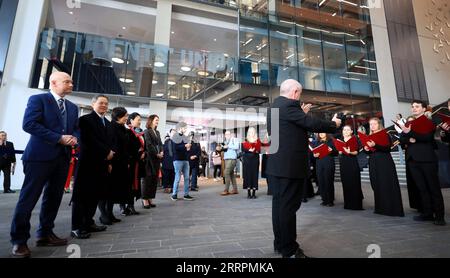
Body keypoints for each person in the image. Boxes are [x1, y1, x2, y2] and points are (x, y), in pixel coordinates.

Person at [266, 79, 341, 258]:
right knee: (288, 208)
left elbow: (290, 128)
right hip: (289, 167)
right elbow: (312, 124)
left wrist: (301, 113)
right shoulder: (289, 107)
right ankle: (290, 250)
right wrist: (334, 125)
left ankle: (280, 244)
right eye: (299, 94)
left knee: (279, 206)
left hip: (277, 166)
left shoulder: (274, 107)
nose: (299, 98)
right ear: (295, 92)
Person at [10, 72, 79, 258]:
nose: (71, 84)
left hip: (62, 159)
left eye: (71, 81)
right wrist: (59, 138)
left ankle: (45, 233)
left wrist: (74, 139)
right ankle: (19, 241)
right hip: (39, 157)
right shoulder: (38, 100)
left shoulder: (73, 107)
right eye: (67, 81)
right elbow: (29, 124)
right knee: (29, 198)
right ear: (54, 83)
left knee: (54, 198)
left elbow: (75, 129)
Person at [71, 95, 112, 240]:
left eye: (106, 104)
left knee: (94, 195)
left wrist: (109, 160)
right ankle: (76, 227)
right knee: (82, 196)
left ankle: (88, 222)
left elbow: (109, 142)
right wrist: (107, 152)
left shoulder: (107, 123)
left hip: (102, 164)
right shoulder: (85, 120)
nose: (104, 106)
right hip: (87, 164)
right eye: (101, 103)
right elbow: (88, 141)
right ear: (93, 103)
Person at [400, 100, 446, 225]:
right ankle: (427, 213)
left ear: (424, 109)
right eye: (412, 107)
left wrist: (410, 133)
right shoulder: (409, 123)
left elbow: (426, 137)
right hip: (412, 159)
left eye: (417, 106)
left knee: (433, 188)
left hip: (427, 159)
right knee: (422, 188)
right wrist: (409, 138)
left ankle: (440, 217)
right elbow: (402, 140)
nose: (414, 108)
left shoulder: (429, 122)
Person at [364, 118, 404, 217]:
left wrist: (375, 145)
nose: (372, 126)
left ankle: (391, 209)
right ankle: (380, 208)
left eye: (374, 124)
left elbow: (387, 148)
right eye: (370, 124)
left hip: (384, 162)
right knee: (376, 183)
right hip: (373, 162)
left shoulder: (385, 134)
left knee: (386, 183)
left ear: (379, 124)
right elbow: (370, 151)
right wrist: (366, 149)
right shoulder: (369, 136)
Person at [99, 107, 130, 224]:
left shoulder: (122, 128)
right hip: (112, 162)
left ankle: (110, 213)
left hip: (121, 162)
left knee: (113, 190)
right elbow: (110, 145)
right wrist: (109, 162)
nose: (127, 118)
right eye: (125, 116)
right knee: (106, 190)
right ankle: (104, 215)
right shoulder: (111, 127)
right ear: (118, 116)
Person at [400, 116, 423, 213]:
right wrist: (408, 140)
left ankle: (426, 205)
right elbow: (401, 141)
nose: (410, 123)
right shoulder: (404, 132)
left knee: (422, 184)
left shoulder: (420, 130)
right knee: (413, 183)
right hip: (410, 158)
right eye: (409, 122)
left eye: (412, 121)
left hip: (421, 158)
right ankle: (417, 205)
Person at [339, 125, 364, 210]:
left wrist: (350, 152)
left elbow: (356, 152)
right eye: (344, 130)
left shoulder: (354, 139)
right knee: (345, 182)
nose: (345, 131)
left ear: (351, 132)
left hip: (352, 162)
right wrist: (339, 151)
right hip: (343, 163)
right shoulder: (340, 141)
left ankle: (356, 204)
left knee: (354, 182)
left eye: (347, 130)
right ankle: (348, 203)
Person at [142, 115, 163, 208]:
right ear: (150, 121)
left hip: (157, 159)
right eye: (156, 120)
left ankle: (150, 198)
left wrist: (162, 151)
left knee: (154, 180)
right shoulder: (146, 131)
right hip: (149, 159)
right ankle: (145, 200)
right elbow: (149, 145)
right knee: (147, 180)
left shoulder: (157, 132)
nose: (157, 121)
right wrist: (156, 154)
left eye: (158, 120)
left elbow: (160, 143)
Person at [126, 113, 145, 213]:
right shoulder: (128, 132)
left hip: (138, 163)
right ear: (131, 120)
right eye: (138, 119)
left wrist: (143, 152)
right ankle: (127, 206)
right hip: (131, 162)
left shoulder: (140, 133)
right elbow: (129, 148)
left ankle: (131, 205)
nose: (140, 121)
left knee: (135, 184)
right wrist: (139, 154)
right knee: (129, 184)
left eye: (140, 119)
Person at [171, 122, 194, 201]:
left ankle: (186, 194)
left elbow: (186, 149)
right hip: (177, 160)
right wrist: (185, 146)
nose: (185, 129)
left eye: (186, 128)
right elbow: (175, 148)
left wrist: (188, 149)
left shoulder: (185, 137)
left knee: (187, 178)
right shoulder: (175, 136)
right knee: (177, 177)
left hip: (185, 160)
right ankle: (174, 194)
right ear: (180, 128)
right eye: (184, 128)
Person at [313, 133, 338, 207]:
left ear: (326, 133)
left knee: (329, 181)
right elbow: (314, 153)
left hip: (329, 163)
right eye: (319, 133)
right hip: (319, 163)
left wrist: (331, 151)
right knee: (321, 182)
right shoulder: (317, 142)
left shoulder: (331, 141)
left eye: (322, 132)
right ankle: (324, 199)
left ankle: (330, 200)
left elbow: (336, 153)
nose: (321, 134)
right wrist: (314, 155)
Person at [242, 127, 261, 199]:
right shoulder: (245, 141)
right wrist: (249, 150)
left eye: (253, 132)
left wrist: (255, 150)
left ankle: (254, 193)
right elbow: (243, 150)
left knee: (254, 175)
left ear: (255, 133)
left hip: (255, 160)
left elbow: (259, 150)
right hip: (247, 160)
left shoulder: (258, 141)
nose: (252, 133)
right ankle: (248, 193)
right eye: (250, 132)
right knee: (248, 175)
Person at [221, 131, 240, 196]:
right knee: (231, 174)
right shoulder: (225, 141)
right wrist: (221, 148)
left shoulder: (234, 139)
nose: (227, 135)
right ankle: (235, 189)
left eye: (228, 134)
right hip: (226, 159)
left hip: (232, 159)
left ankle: (226, 190)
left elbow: (237, 147)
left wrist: (228, 146)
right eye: (226, 134)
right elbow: (223, 149)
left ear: (231, 134)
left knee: (226, 172)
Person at [162, 129, 176, 194]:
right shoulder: (166, 141)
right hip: (166, 161)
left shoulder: (177, 142)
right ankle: (166, 188)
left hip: (174, 162)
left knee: (173, 176)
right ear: (170, 134)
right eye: (172, 133)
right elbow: (163, 151)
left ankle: (172, 188)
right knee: (166, 176)